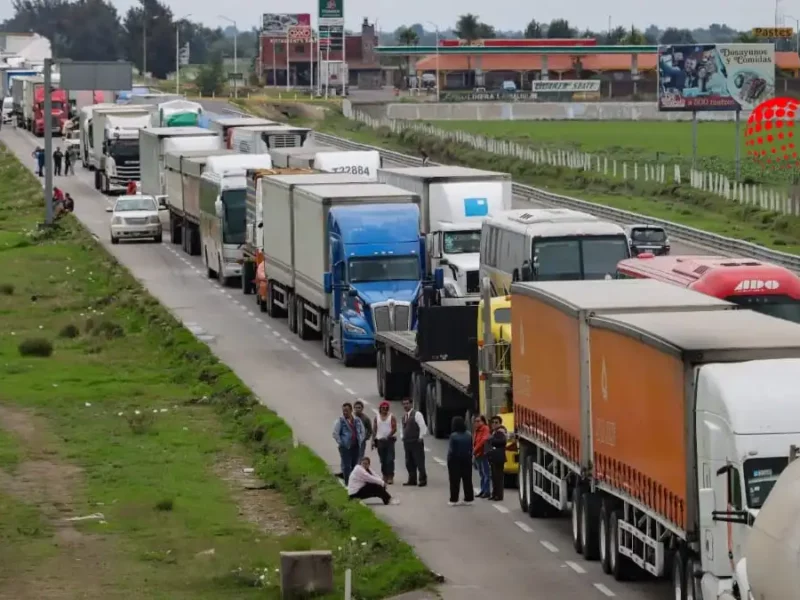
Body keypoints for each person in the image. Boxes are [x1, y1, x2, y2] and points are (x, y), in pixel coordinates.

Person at [332, 402, 365, 484]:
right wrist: (341, 442)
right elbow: (335, 433)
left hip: (356, 446)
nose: (345, 412)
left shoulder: (357, 420)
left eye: (346, 410)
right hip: (345, 447)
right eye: (343, 411)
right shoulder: (340, 421)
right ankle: (347, 482)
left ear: (351, 410)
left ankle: (353, 482)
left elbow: (362, 431)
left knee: (354, 465)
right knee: (346, 466)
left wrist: (360, 439)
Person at [447, 416, 474, 506]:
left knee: (454, 480)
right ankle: (469, 498)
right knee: (467, 479)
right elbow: (471, 447)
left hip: (454, 460)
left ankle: (454, 499)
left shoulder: (453, 436)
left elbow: (451, 450)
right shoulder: (469, 434)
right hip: (467, 459)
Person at [400, 397, 427, 487]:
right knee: (409, 462)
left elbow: (422, 426)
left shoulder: (417, 414)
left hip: (416, 441)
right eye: (404, 404)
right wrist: (402, 437)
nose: (405, 405)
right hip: (407, 442)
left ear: (411, 404)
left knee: (419, 461)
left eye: (407, 403)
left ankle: (422, 479)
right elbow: (402, 428)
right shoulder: (404, 416)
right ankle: (412, 480)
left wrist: (420, 437)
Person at [372, 401, 397, 484]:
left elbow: (394, 428)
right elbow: (375, 429)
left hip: (389, 441)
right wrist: (373, 440)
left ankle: (390, 476)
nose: (385, 410)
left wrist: (388, 436)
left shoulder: (391, 417)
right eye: (383, 408)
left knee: (390, 459)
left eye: (386, 408)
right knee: (382, 460)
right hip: (380, 441)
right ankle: (384, 475)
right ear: (380, 409)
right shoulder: (377, 417)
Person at [488, 415, 508, 501]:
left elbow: (503, 442)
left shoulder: (500, 432)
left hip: (499, 457)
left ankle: (499, 495)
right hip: (494, 457)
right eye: (493, 422)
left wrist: (491, 441)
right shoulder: (494, 432)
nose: (494, 424)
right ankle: (494, 494)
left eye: (496, 422)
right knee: (494, 477)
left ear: (500, 424)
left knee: (498, 477)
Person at [473, 415, 491, 498]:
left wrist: (475, 449)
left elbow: (483, 440)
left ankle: (487, 491)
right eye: (475, 421)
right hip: (478, 455)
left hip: (483, 454)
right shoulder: (477, 430)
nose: (476, 423)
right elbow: (475, 441)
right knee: (481, 474)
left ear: (483, 421)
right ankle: (483, 490)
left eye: (478, 421)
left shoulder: (485, 429)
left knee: (486, 473)